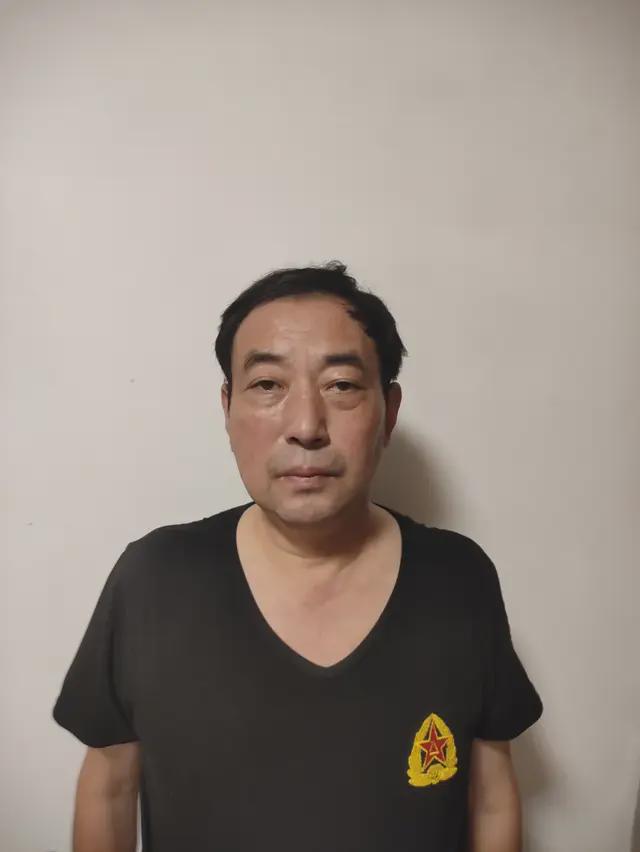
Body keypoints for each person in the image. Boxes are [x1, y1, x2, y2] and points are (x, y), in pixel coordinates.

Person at [52, 260, 543, 852]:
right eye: (268, 385)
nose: (307, 425)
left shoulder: (459, 580)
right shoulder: (153, 580)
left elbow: (491, 796)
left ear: (389, 411)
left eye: (342, 385)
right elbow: (108, 788)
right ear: (227, 408)